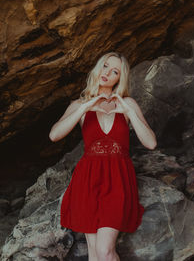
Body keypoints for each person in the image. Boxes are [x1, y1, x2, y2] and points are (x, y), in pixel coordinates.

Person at [49, 52, 157, 261]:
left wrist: (128, 110)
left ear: (120, 78)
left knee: (105, 251)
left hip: (118, 179)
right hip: (87, 180)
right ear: (98, 67)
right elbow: (54, 135)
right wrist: (85, 106)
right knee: (94, 255)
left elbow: (151, 143)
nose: (107, 73)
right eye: (105, 66)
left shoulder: (128, 104)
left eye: (114, 71)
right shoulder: (79, 105)